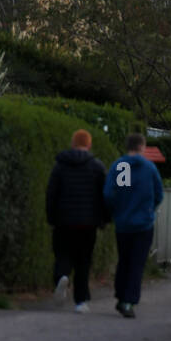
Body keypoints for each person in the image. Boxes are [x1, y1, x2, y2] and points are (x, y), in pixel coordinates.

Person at [45, 129, 107, 312]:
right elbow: (104, 195)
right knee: (83, 261)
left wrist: (51, 217)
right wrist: (103, 218)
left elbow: (51, 194)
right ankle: (81, 301)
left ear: (72, 143)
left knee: (63, 254)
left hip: (63, 221)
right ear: (89, 144)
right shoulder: (97, 166)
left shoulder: (60, 166)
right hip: (88, 223)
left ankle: (62, 277)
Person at [104, 132, 164, 318]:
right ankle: (128, 301)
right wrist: (148, 210)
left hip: (123, 223)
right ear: (142, 146)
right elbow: (158, 194)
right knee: (137, 263)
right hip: (143, 224)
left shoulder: (122, 167)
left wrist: (118, 211)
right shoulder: (149, 168)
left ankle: (120, 294)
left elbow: (111, 194)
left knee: (124, 260)